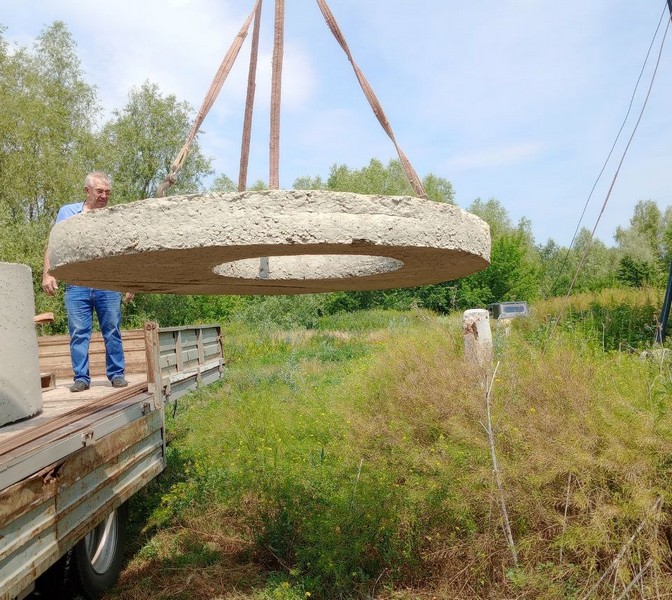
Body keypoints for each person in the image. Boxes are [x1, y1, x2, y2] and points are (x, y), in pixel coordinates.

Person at [42, 171, 134, 393]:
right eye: (100, 191)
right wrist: (48, 273)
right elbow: (54, 243)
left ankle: (116, 374)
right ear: (87, 191)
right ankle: (81, 378)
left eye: (107, 192)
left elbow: (124, 251)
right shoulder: (68, 212)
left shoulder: (113, 216)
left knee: (112, 330)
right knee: (79, 332)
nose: (104, 196)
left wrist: (129, 283)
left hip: (107, 283)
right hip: (76, 283)